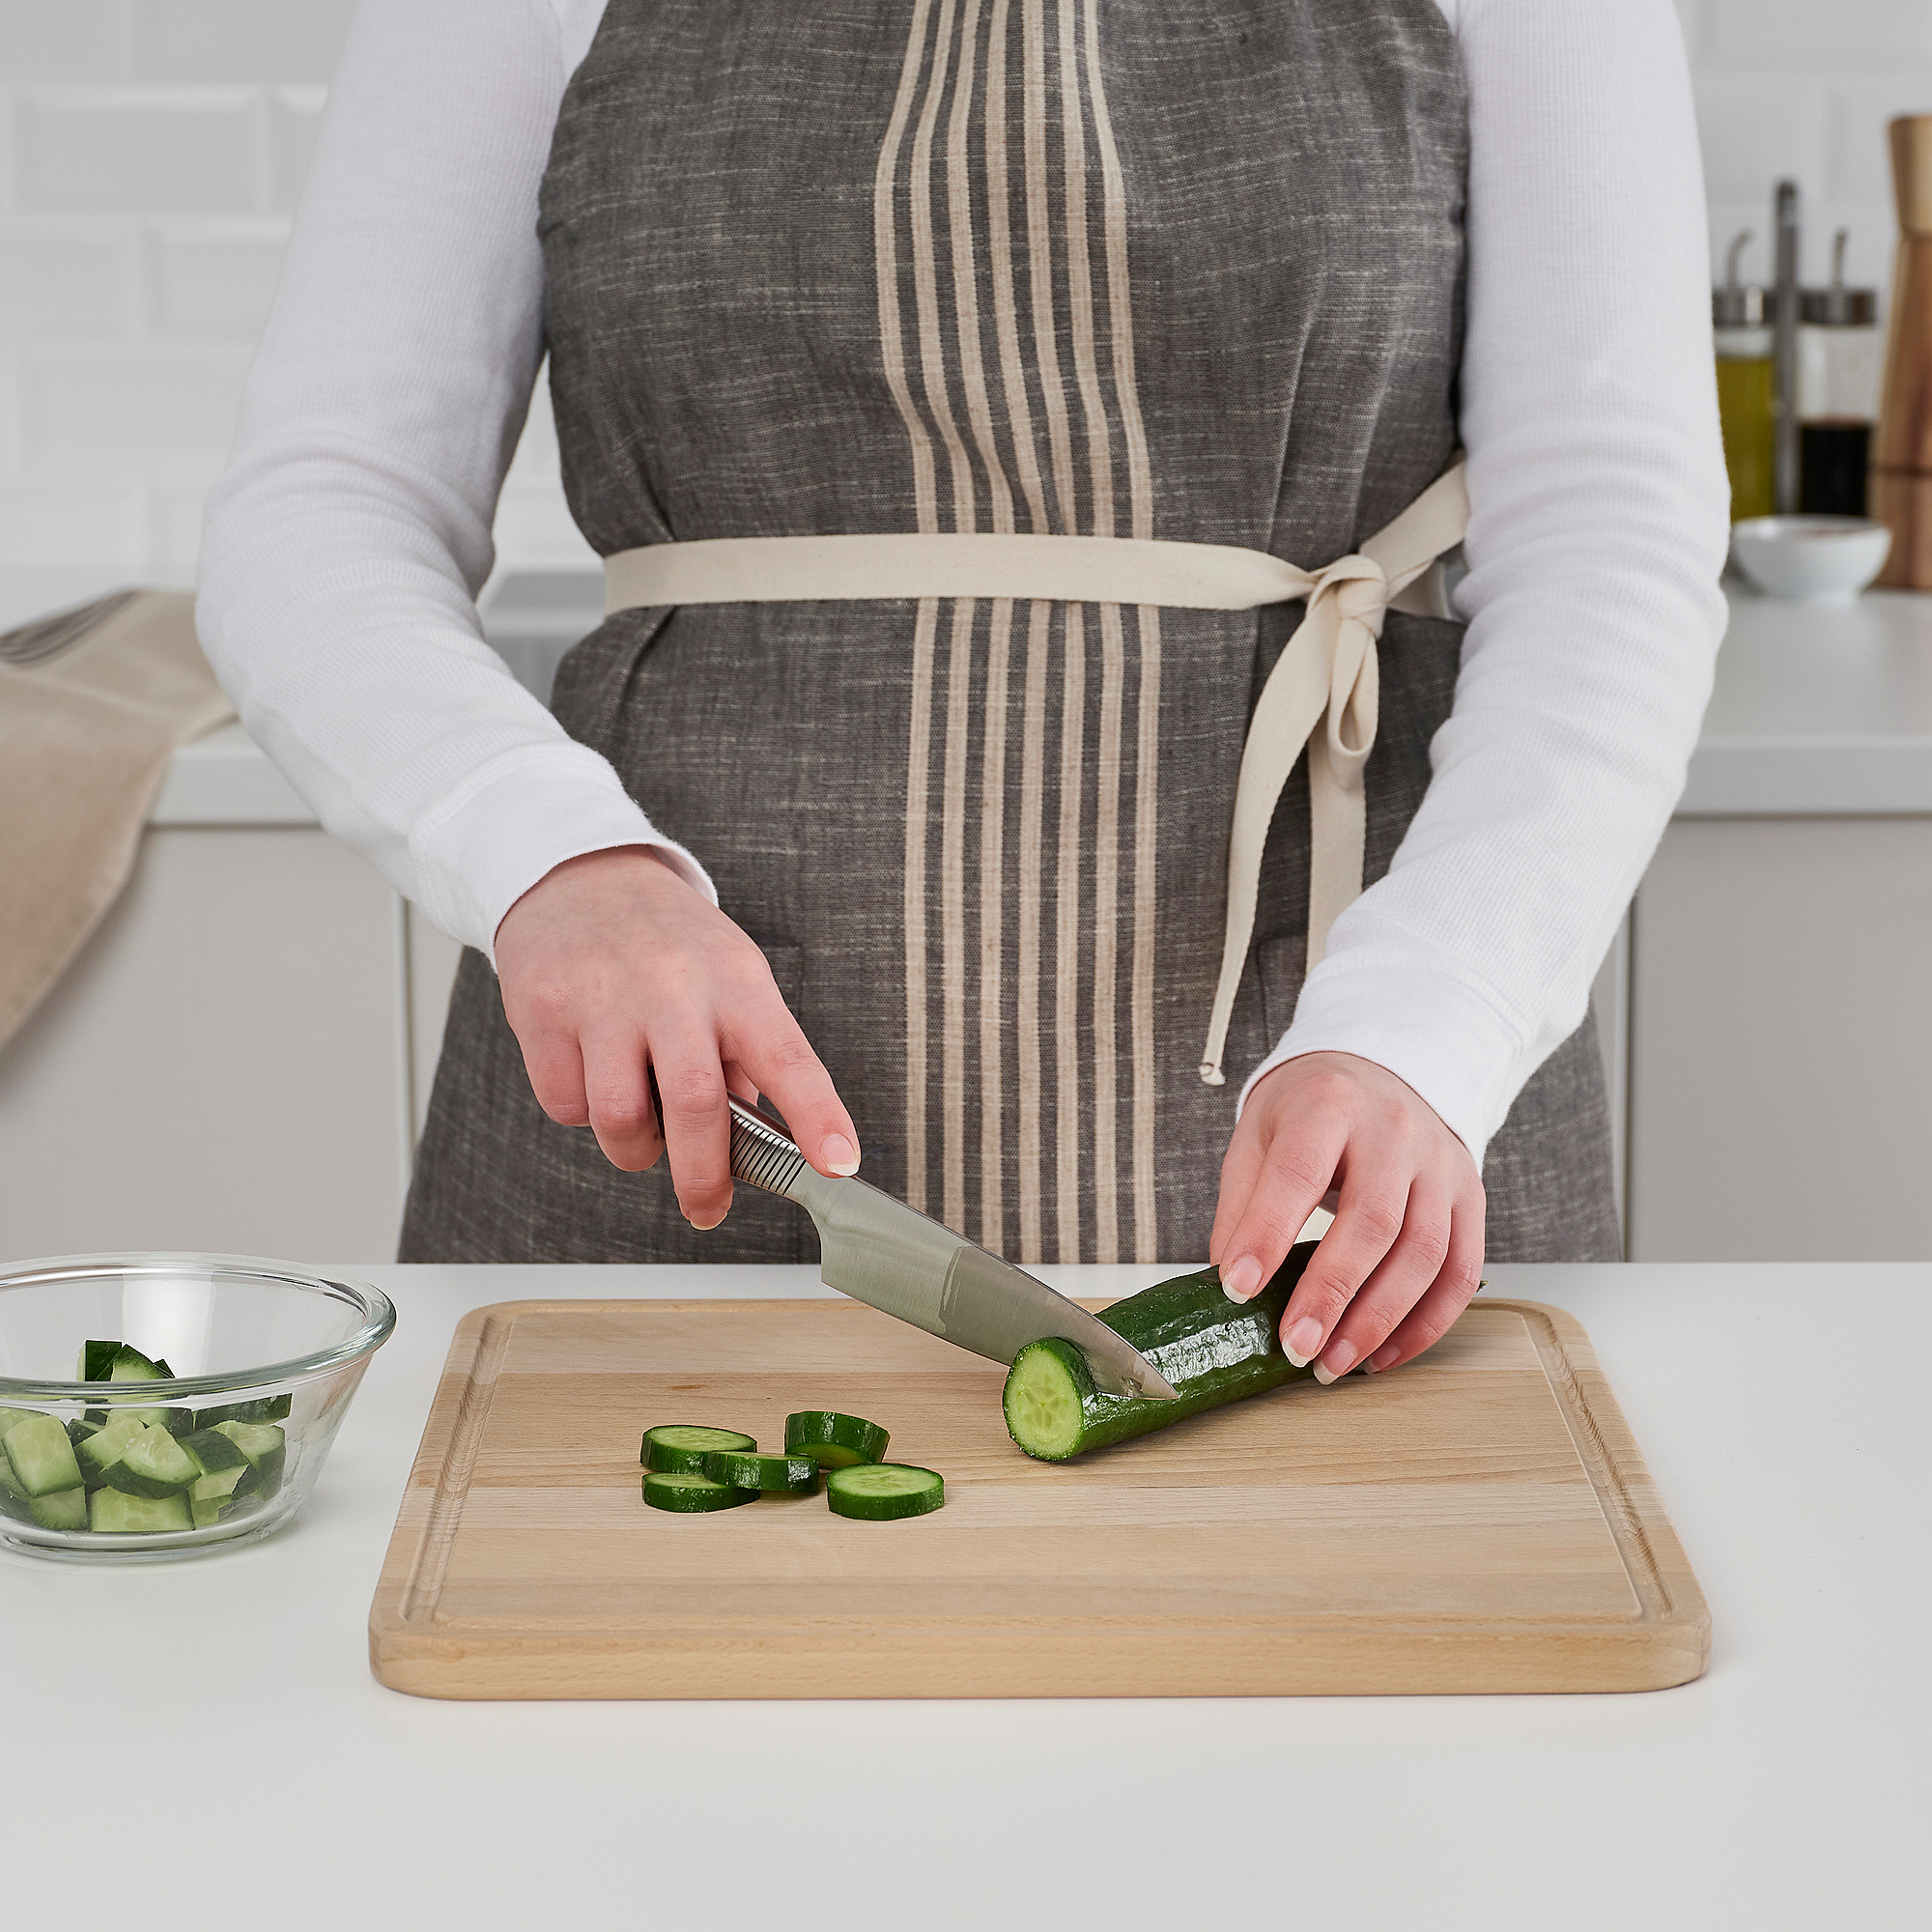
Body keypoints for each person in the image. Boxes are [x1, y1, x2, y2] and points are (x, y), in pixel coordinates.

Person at [197, 0, 1727, 1384]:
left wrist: (1429, 1025)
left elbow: (1612, 531)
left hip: (1358, 1117)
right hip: (678, 1112)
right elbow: (324, 508)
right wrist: (552, 865)